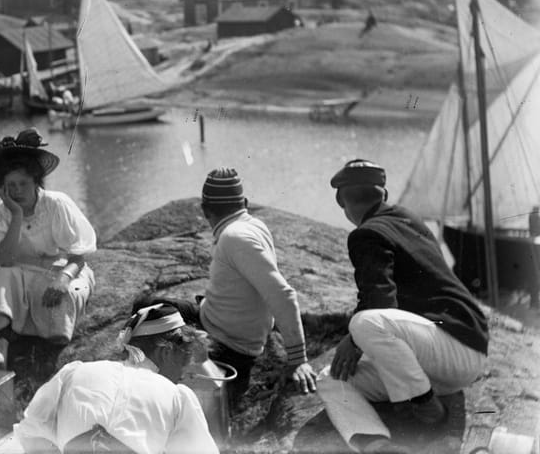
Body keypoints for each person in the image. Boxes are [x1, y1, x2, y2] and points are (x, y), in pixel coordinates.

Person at [316, 159, 489, 454]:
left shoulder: (366, 234)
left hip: (451, 350)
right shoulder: (407, 217)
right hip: (449, 359)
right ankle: (377, 444)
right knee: (332, 378)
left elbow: (379, 303)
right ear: (383, 195)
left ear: (341, 202)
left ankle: (423, 408)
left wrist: (353, 339)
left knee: (362, 324)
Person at [140, 167, 316, 409]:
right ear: (244, 202)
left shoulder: (235, 237)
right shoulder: (254, 225)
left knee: (145, 319)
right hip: (228, 326)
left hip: (227, 343)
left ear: (204, 209)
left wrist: (298, 360)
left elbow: (283, 295)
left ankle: (152, 389)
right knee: (149, 307)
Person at [0, 128, 96, 380]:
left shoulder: (56, 204)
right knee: (0, 277)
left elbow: (78, 254)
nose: (17, 190)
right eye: (10, 185)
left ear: (36, 181)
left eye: (23, 183)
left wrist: (63, 279)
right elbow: (4, 260)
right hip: (20, 272)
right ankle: (1, 338)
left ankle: (50, 347)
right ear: (1, 189)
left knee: (61, 296)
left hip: (63, 269)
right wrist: (16, 215)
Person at [15, 303, 219, 454]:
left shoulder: (75, 372)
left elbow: (31, 432)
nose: (182, 373)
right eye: (183, 358)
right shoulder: (176, 396)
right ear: (166, 352)